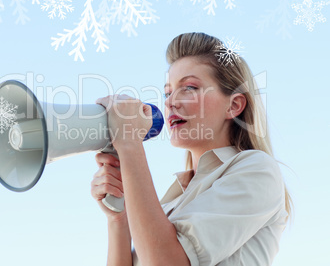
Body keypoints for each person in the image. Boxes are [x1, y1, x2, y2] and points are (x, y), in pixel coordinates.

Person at [91, 32, 291, 266]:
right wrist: (119, 219)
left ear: (234, 105)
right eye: (167, 92)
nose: (170, 101)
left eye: (189, 87)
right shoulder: (171, 202)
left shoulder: (257, 170)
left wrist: (129, 143)